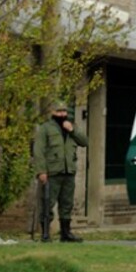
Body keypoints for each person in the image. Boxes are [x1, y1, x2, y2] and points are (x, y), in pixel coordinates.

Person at [33, 100, 88, 243]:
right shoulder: (45, 128)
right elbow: (38, 151)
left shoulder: (71, 126)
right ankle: (45, 234)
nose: (62, 114)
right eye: (59, 111)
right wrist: (41, 171)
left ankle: (66, 234)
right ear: (52, 112)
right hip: (52, 172)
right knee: (47, 203)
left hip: (69, 172)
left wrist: (72, 130)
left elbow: (85, 142)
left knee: (67, 204)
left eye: (64, 111)